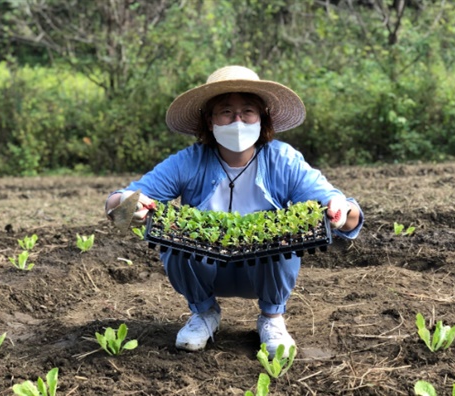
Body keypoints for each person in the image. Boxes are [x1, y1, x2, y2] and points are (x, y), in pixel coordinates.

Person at [105, 65, 364, 358]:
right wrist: (128, 204)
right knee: (172, 233)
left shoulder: (282, 159)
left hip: (264, 270)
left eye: (248, 112)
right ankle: (204, 313)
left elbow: (337, 202)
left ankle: (271, 318)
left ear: (262, 117)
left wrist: (342, 211)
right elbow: (122, 198)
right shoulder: (189, 161)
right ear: (210, 120)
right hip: (205, 266)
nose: (238, 121)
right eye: (226, 112)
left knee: (282, 237)